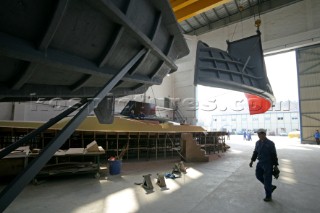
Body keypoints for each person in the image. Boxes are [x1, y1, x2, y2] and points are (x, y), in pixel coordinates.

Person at [249, 128, 279, 202]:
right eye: (258, 134)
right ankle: (270, 187)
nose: (258, 135)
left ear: (264, 134)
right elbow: (255, 152)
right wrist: (252, 160)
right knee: (258, 175)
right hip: (260, 162)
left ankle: (268, 196)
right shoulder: (257, 143)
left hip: (268, 164)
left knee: (267, 180)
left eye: (260, 134)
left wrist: (275, 165)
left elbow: (274, 155)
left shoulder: (270, 143)